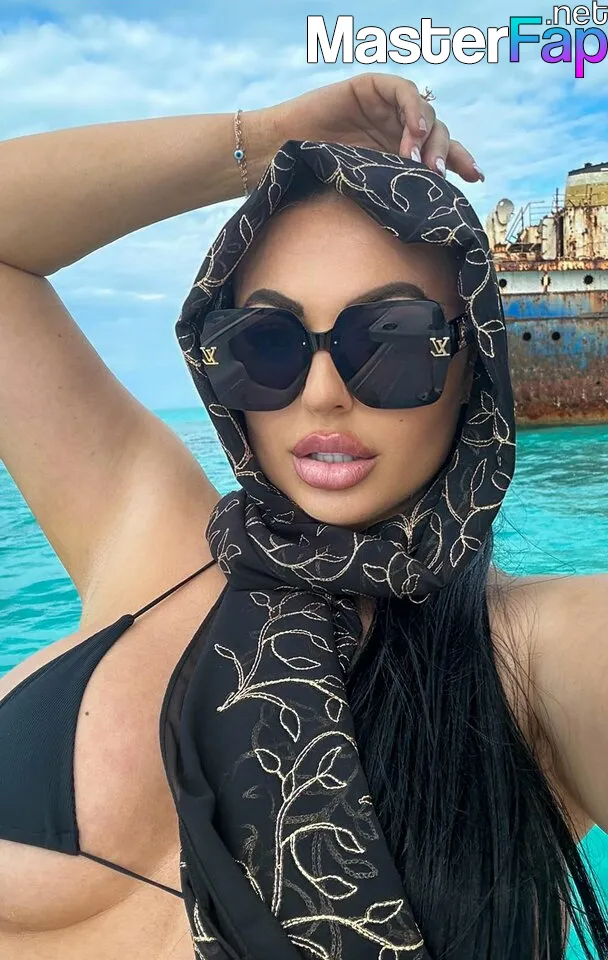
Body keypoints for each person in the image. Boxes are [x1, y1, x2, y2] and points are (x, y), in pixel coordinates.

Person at [0, 72, 605, 960]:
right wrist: (270, 137)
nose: (322, 394)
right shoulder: (147, 530)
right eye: (266, 343)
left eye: (391, 340)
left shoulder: (534, 658)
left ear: (471, 364)